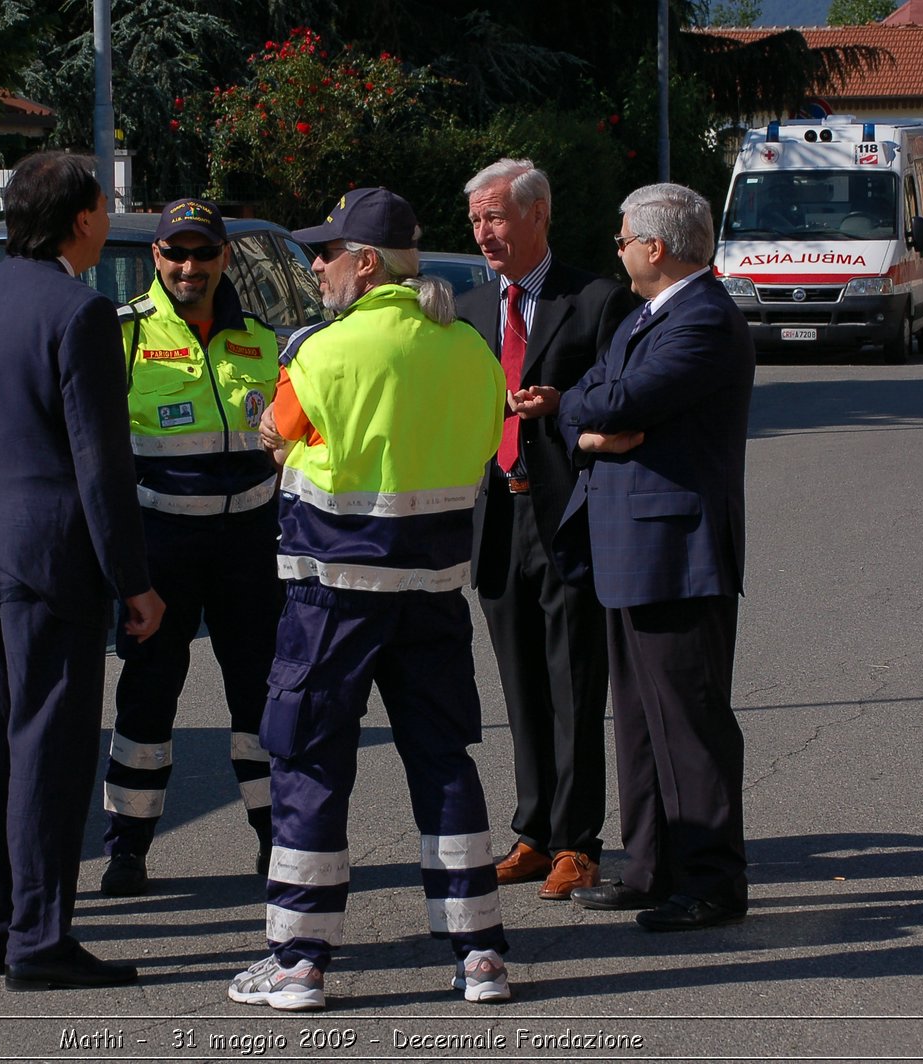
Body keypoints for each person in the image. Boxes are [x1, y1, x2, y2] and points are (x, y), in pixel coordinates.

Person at [227, 188, 510, 1011]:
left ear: (365, 263)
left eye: (325, 254)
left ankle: (299, 962)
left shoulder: (323, 351)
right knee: (443, 760)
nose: (314, 268)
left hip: (333, 594)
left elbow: (279, 434)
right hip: (433, 591)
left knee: (311, 762)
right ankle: (480, 955)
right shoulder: (469, 349)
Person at [0, 150, 165, 991]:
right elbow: (99, 464)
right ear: (81, 220)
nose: (107, 218)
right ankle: (40, 938)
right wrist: (134, 578)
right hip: (49, 552)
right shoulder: (80, 312)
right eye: (101, 207)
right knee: (49, 747)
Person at [548, 183, 755, 931]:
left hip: (677, 550)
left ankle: (711, 882)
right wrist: (592, 427)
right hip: (629, 546)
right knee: (638, 719)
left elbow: (611, 404)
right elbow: (585, 399)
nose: (617, 248)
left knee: (689, 720)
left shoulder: (702, 319)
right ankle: (650, 868)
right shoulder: (646, 314)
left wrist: (595, 421)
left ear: (656, 247)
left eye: (624, 236)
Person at [456, 158, 633, 901]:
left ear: (538, 216)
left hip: (564, 514)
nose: (484, 233)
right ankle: (532, 831)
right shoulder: (467, 311)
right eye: (475, 221)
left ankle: (576, 841)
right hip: (495, 514)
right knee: (521, 685)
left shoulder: (596, 301)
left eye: (495, 217)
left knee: (572, 682)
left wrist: (561, 405)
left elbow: (619, 400)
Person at [100, 197, 281, 897]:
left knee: (261, 700)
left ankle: (276, 840)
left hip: (249, 547)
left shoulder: (259, 340)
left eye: (203, 252)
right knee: (146, 697)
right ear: (156, 257)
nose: (189, 266)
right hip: (160, 546)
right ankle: (127, 849)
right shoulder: (124, 335)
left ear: (224, 258)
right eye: (175, 252)